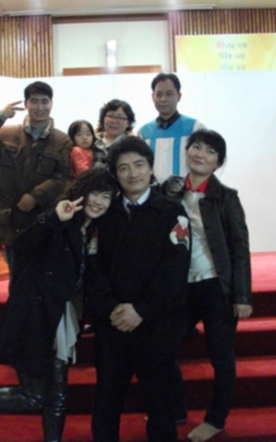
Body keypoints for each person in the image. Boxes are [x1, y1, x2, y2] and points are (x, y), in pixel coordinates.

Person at [0, 168, 119, 442]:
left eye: (106, 197)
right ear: (83, 192)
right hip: (33, 316)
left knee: (57, 396)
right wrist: (53, 218)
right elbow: (20, 244)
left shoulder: (91, 231)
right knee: (34, 396)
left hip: (62, 316)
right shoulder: (60, 219)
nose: (99, 202)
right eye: (96, 193)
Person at [85, 136, 191, 442]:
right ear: (115, 174)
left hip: (155, 326)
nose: (133, 173)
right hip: (112, 326)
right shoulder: (103, 214)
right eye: (123, 168)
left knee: (160, 406)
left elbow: (174, 270)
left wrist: (141, 310)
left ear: (150, 167)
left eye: (139, 165)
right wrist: (112, 309)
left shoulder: (172, 212)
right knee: (106, 403)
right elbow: (93, 266)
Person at [163, 129, 252, 442]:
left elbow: (240, 248)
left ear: (218, 163)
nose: (200, 155)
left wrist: (242, 296)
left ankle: (215, 419)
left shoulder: (227, 198)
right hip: (180, 288)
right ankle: (175, 409)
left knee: (221, 357)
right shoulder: (170, 190)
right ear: (187, 151)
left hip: (216, 286)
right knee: (163, 349)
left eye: (210, 152)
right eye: (196, 147)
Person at [0, 81, 72, 267]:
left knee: (43, 271)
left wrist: (36, 196)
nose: (40, 107)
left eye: (45, 101)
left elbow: (63, 177)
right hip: (10, 221)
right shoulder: (7, 134)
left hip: (43, 218)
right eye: (34, 101)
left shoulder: (62, 141)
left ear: (51, 104)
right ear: (26, 104)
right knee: (16, 273)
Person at [137, 73, 206, 183]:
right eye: (159, 94)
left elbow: (205, 163)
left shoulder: (195, 128)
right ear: (153, 97)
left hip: (186, 191)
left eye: (169, 94)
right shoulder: (144, 132)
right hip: (153, 191)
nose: (163, 99)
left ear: (178, 96)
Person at [92, 99, 136, 168]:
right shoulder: (92, 141)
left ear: (128, 123)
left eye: (120, 117)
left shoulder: (132, 145)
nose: (114, 121)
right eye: (111, 116)